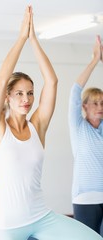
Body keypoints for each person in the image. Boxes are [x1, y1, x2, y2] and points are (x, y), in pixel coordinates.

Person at [0, 6, 103, 240]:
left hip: (41, 217)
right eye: (19, 93)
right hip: (8, 224)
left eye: (30, 93)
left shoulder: (37, 126)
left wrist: (34, 40)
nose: (26, 99)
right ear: (8, 97)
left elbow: (52, 81)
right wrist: (21, 39)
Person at [68, 35, 103, 236]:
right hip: (85, 198)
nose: (99, 107)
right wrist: (94, 60)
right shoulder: (78, 126)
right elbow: (75, 91)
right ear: (84, 106)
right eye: (95, 103)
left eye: (102, 103)